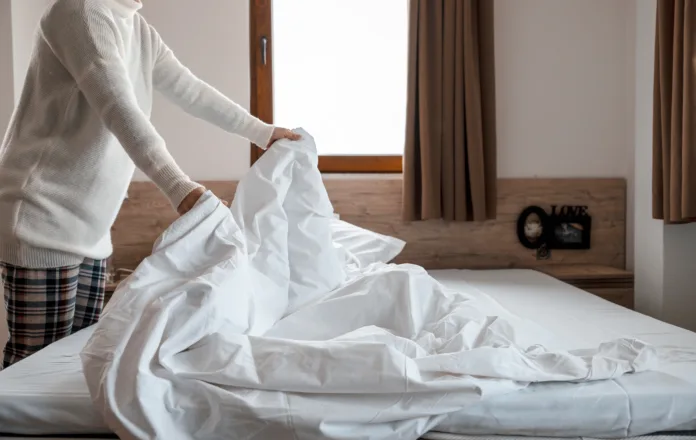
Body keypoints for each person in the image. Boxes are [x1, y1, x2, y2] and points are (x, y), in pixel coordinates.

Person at [0, 0, 300, 369]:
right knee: (30, 369)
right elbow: (119, 109)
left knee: (69, 362)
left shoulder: (135, 27)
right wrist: (182, 189)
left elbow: (191, 91)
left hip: (90, 229)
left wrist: (263, 133)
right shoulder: (78, 11)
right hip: (42, 219)